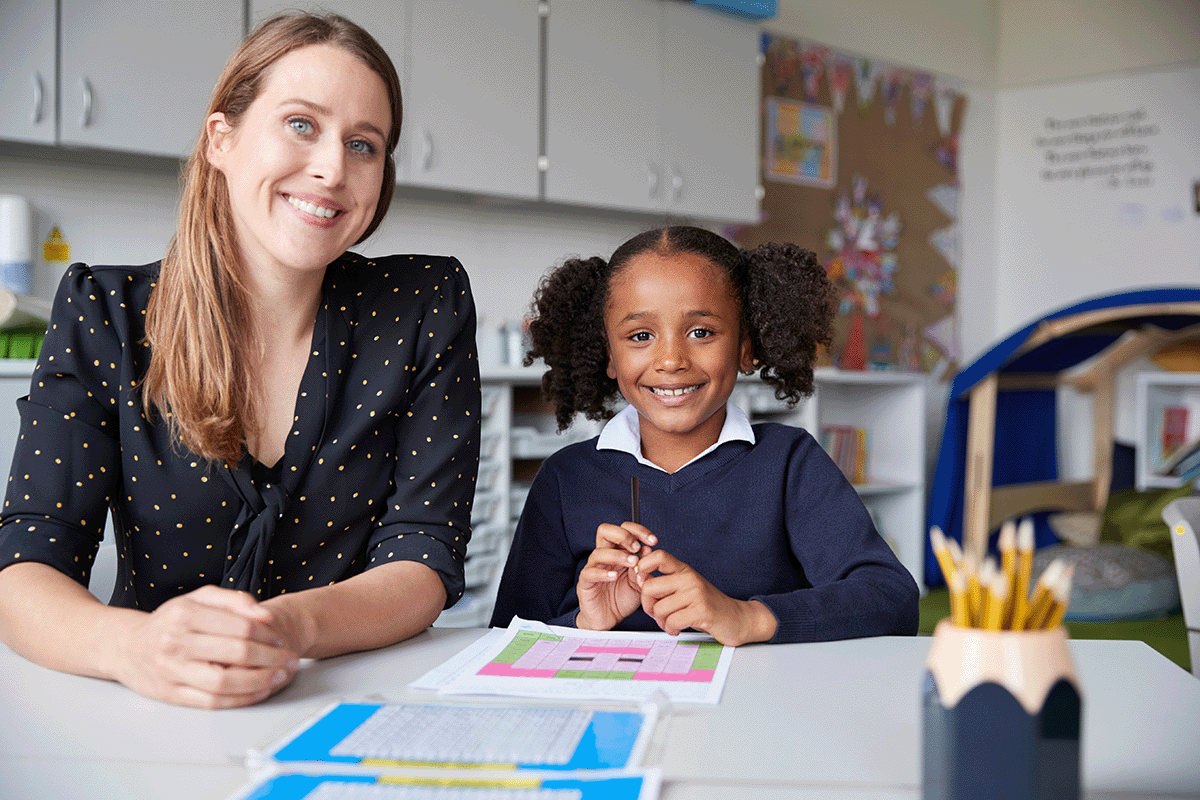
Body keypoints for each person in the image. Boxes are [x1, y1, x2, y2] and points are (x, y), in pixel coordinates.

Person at [0, 12, 480, 708]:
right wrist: (135, 648)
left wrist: (287, 626)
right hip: (155, 706)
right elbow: (25, 567)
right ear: (220, 139)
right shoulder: (106, 313)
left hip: (349, 698)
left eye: (363, 144)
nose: (332, 168)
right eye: (300, 124)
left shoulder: (422, 305)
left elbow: (424, 554)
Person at [490, 226, 917, 645]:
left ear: (746, 347)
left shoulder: (789, 463)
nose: (671, 359)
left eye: (701, 332)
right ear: (609, 356)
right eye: (641, 336)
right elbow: (505, 638)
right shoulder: (567, 478)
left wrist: (747, 617)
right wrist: (585, 624)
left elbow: (891, 598)